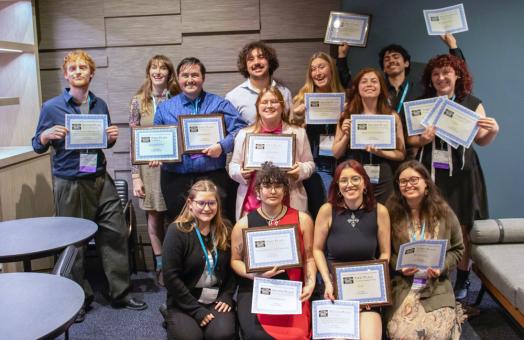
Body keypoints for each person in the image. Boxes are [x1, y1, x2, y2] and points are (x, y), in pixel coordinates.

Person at [31, 50, 147, 322]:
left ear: (91, 73)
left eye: (83, 67)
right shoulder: (52, 107)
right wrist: (46, 135)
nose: (78, 71)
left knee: (115, 233)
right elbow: (37, 144)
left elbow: (101, 143)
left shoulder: (100, 104)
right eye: (73, 68)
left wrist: (111, 138)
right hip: (70, 181)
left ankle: (120, 292)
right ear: (66, 74)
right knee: (75, 242)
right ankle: (77, 298)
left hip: (98, 177)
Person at [408, 54, 499, 299]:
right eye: (436, 74)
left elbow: (482, 140)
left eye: (446, 72)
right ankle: (432, 276)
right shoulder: (421, 104)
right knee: (429, 225)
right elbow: (410, 140)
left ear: (457, 75)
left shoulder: (472, 103)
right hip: (431, 173)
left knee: (462, 228)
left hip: (462, 174)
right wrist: (422, 139)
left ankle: (463, 279)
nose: (441, 78)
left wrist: (494, 131)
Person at [153, 57, 247, 223]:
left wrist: (222, 146)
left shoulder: (220, 104)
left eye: (195, 75)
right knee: (180, 224)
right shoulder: (164, 108)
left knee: (218, 224)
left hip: (213, 176)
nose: (190, 80)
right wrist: (155, 154)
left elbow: (240, 130)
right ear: (178, 78)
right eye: (185, 75)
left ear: (203, 78)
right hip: (175, 178)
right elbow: (157, 138)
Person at [230, 162, 316, 339]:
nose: (273, 191)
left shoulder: (303, 219)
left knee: (297, 335)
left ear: (285, 191)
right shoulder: (243, 224)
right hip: (256, 286)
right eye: (267, 186)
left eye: (278, 186)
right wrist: (254, 275)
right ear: (258, 192)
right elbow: (235, 260)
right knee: (256, 335)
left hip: (292, 288)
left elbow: (309, 258)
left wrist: (311, 282)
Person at [385, 160, 465, 339]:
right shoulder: (389, 214)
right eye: (403, 181)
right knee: (402, 335)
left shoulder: (444, 212)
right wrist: (399, 266)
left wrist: (441, 266)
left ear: (426, 184)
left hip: (437, 285)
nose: (408, 185)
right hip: (404, 284)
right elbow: (382, 253)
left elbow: (458, 249)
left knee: (437, 334)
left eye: (414, 179)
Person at [313, 159, 390, 340]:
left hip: (367, 288)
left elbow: (385, 253)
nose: (350, 185)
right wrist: (327, 281)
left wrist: (375, 285)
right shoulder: (327, 210)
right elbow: (316, 250)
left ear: (364, 182)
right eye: (344, 180)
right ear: (337, 186)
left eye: (355, 179)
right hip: (334, 289)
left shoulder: (380, 211)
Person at [163, 180, 237, 340]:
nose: (207, 208)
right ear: (190, 203)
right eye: (201, 203)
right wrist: (196, 310)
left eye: (211, 203)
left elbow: (233, 268)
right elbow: (170, 277)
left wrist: (227, 295)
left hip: (215, 299)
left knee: (222, 335)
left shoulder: (226, 228)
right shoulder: (176, 231)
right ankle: (169, 316)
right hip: (184, 300)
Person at [228, 86, 314, 220]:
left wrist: (300, 170)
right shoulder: (244, 134)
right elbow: (233, 166)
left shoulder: (298, 133)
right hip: (253, 202)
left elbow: (310, 164)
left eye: (274, 101)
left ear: (282, 106)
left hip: (289, 200)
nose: (269, 105)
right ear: (257, 107)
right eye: (264, 102)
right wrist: (241, 172)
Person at [129, 55, 179, 284]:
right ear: (148, 72)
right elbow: (133, 140)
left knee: (178, 217)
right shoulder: (138, 102)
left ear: (169, 73)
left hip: (175, 168)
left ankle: (176, 264)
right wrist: (135, 177)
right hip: (149, 171)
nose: (158, 71)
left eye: (163, 68)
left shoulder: (179, 98)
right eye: (154, 68)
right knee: (153, 219)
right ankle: (160, 264)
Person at [378, 34, 465, 158]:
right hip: (385, 151)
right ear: (384, 69)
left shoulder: (422, 90)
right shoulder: (377, 92)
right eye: (386, 59)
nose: (391, 60)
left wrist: (453, 47)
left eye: (396, 57)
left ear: (406, 63)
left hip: (415, 152)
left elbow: (458, 77)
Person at [333, 68, 406, 204]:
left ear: (381, 87)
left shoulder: (391, 116)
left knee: (384, 216)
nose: (369, 85)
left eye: (374, 81)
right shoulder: (347, 114)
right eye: (364, 82)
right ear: (357, 87)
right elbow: (336, 153)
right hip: (353, 174)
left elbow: (401, 154)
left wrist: (379, 152)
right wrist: (346, 136)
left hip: (383, 176)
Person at [291, 51, 347, 219]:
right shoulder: (302, 98)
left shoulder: (345, 97)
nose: (317, 72)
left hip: (342, 161)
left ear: (331, 69)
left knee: (344, 207)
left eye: (321, 67)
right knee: (326, 208)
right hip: (318, 163)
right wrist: (297, 118)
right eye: (313, 69)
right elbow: (291, 134)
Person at [226, 41, 292, 125]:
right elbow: (232, 131)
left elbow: (290, 125)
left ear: (270, 62)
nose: (256, 62)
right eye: (251, 59)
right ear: (245, 66)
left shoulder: (285, 93)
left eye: (261, 57)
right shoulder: (233, 97)